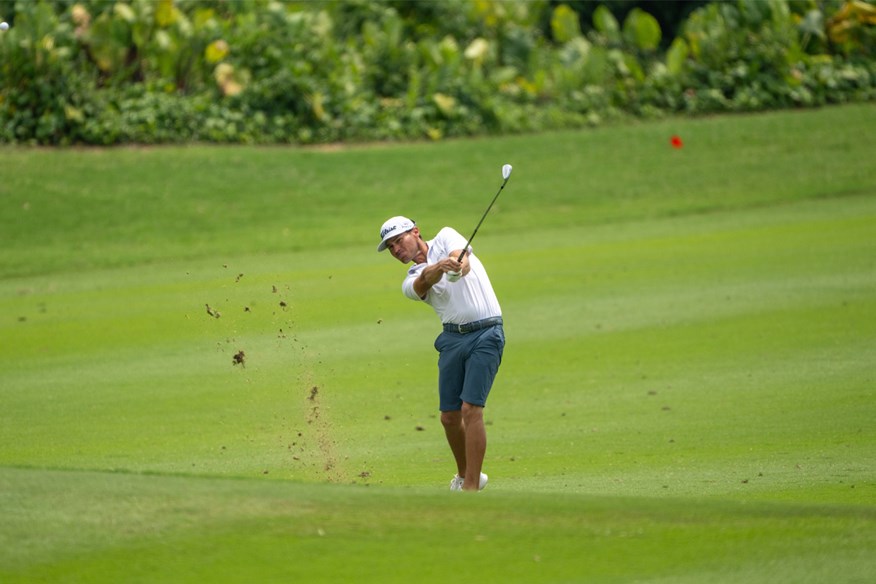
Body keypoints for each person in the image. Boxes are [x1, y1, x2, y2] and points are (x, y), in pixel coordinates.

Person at [377, 216, 505, 491]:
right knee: (449, 416)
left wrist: (458, 266)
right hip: (451, 339)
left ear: (416, 232)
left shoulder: (446, 235)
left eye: (399, 241)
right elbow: (424, 281)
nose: (396, 250)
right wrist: (441, 267)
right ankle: (465, 475)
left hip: (486, 332)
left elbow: (462, 257)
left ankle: (470, 488)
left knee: (470, 409)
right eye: (390, 248)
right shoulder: (410, 279)